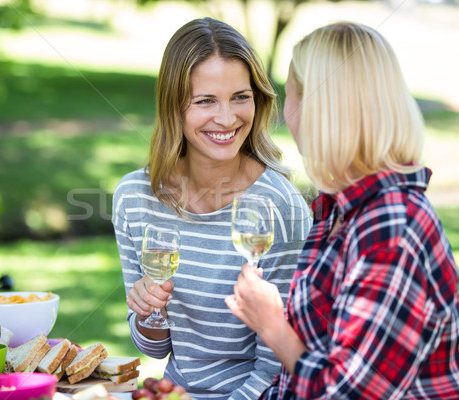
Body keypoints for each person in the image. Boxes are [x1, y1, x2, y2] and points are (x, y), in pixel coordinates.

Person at [226, 22, 459, 399]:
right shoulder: (344, 210)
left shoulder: (392, 228)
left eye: (289, 96)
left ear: (318, 111)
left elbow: (346, 393)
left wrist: (272, 325)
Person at [112, 17, 311, 400]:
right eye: (206, 101)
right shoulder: (135, 197)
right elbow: (155, 348)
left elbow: (277, 367)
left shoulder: (280, 207)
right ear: (174, 107)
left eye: (240, 96)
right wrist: (147, 313)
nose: (226, 118)